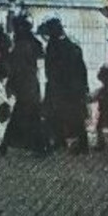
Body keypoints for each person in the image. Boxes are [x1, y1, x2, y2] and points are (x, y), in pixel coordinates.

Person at [0, 17, 48, 155]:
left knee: (22, 115)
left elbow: (13, 66)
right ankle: (37, 146)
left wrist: (11, 84)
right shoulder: (31, 43)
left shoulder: (20, 45)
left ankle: (9, 143)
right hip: (30, 83)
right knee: (30, 115)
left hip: (24, 83)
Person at [41, 17, 90, 153]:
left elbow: (50, 70)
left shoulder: (53, 47)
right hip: (74, 88)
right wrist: (84, 87)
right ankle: (82, 144)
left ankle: (59, 141)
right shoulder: (73, 47)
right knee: (76, 116)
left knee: (56, 115)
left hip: (59, 88)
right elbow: (82, 70)